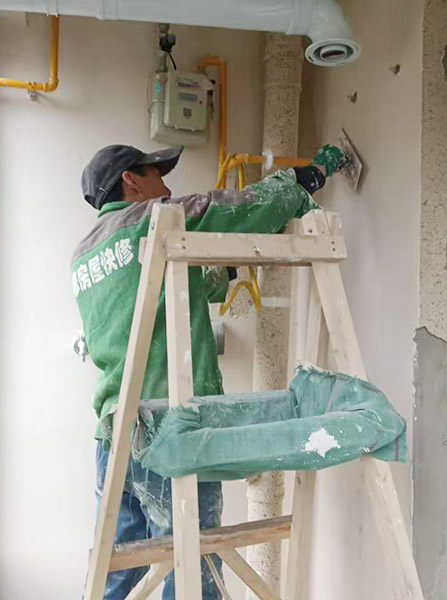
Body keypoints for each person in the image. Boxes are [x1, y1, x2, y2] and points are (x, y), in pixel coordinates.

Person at [73, 143, 343, 599]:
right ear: (130, 180)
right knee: (193, 572)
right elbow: (240, 207)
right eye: (156, 174)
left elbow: (192, 284)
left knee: (117, 572)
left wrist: (231, 266)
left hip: (115, 437)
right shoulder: (153, 220)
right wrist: (304, 178)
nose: (166, 185)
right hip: (169, 429)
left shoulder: (85, 256)